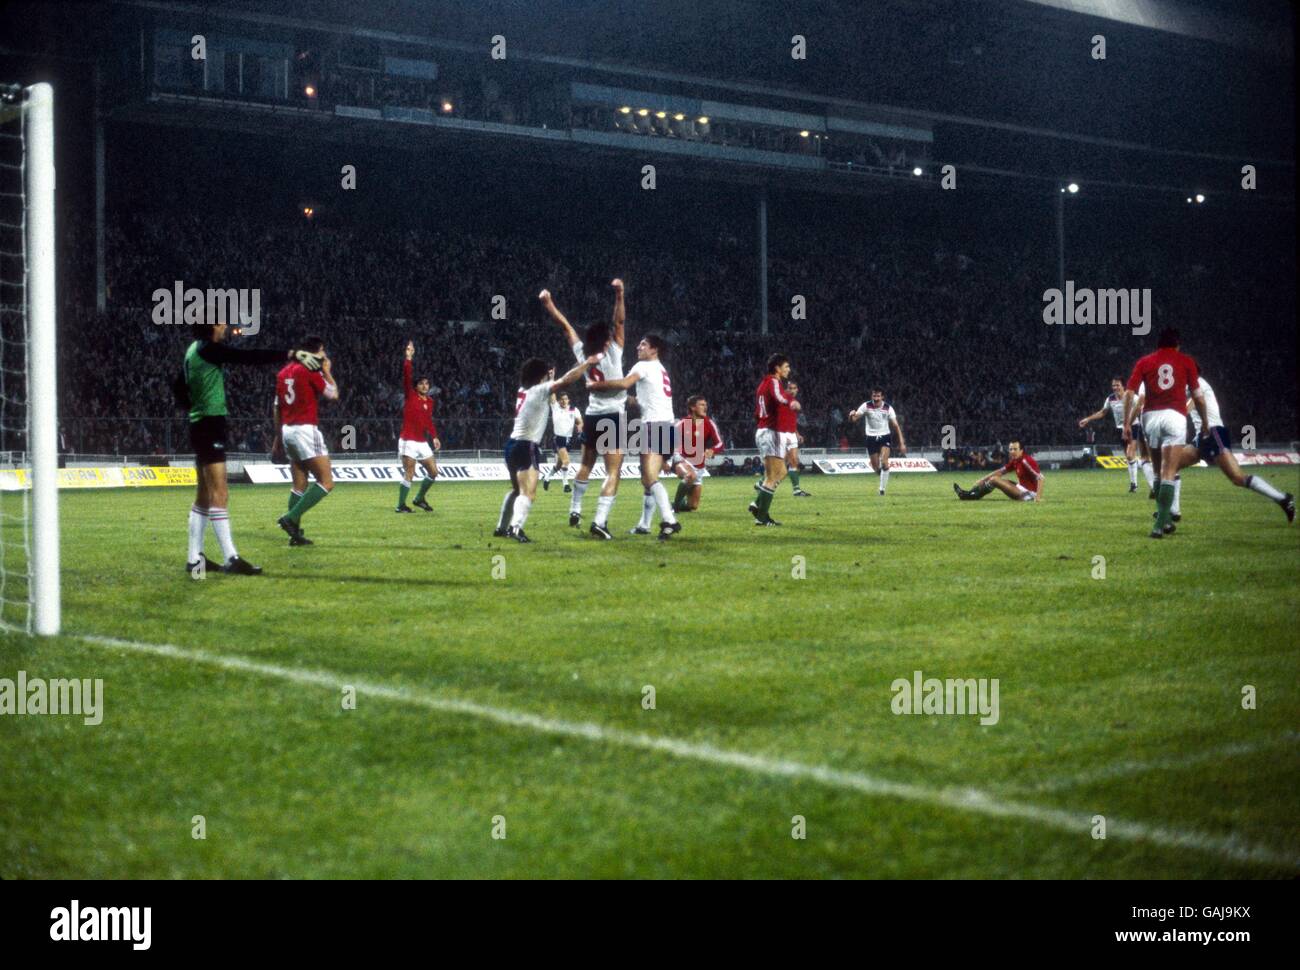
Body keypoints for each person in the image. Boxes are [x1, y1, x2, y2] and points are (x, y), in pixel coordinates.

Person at [178, 321, 323, 576]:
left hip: (199, 424)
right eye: (221, 323)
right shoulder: (208, 349)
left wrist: (194, 406)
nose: (225, 328)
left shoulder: (192, 350)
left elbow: (178, 388)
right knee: (220, 494)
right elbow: (247, 357)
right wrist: (290, 354)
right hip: (210, 425)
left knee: (203, 496)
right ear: (212, 325)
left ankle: (194, 560)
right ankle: (231, 557)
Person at [540, 281, 627, 532]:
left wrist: (548, 303)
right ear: (607, 339)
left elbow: (565, 326)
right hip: (611, 415)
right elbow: (619, 322)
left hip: (592, 414)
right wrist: (619, 294)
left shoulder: (582, 354)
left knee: (586, 465)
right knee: (613, 472)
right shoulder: (614, 352)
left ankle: (575, 509)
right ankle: (600, 521)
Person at [587, 333, 682, 540]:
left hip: (654, 426)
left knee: (649, 478)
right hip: (667, 425)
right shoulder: (660, 369)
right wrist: (628, 400)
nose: (638, 347)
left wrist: (596, 386)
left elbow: (623, 383)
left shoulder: (643, 367)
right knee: (648, 478)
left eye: (644, 344)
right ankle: (645, 524)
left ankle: (669, 520)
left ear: (654, 349)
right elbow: (644, 400)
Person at [495, 353, 599, 542]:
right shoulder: (539, 390)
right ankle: (515, 529)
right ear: (540, 376)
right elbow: (565, 381)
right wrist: (587, 364)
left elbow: (555, 383)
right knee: (529, 494)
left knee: (517, 490)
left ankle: (501, 528)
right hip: (526, 446)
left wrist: (554, 376)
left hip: (511, 445)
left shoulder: (524, 389)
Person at [1169, 376, 1294, 523]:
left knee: (1238, 478)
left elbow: (1187, 407)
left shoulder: (1198, 384)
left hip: (1214, 433)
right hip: (1202, 436)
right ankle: (1173, 512)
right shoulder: (1189, 385)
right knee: (1171, 466)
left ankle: (1283, 499)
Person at [1123, 328, 1208, 538]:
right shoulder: (1186, 361)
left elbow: (1129, 393)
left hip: (1150, 418)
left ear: (1158, 344)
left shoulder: (1145, 361)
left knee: (1158, 470)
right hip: (1175, 417)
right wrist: (1205, 421)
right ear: (1177, 344)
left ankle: (1166, 520)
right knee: (1170, 471)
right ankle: (1159, 525)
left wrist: (1127, 422)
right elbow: (1197, 396)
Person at [273, 335, 339, 546]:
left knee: (299, 484)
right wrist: (327, 371)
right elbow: (333, 394)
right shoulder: (310, 369)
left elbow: (277, 407)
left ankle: (295, 535)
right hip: (305, 430)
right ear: (313, 352)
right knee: (326, 482)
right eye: (322, 352)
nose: (324, 356)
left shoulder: (283, 373)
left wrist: (277, 437)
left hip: (287, 430)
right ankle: (290, 518)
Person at [750, 354, 798, 526]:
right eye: (786, 366)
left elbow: (757, 413)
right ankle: (761, 517)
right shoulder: (773, 382)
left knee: (781, 472)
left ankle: (757, 505)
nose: (788, 369)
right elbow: (780, 397)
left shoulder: (762, 384)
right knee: (773, 476)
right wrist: (791, 402)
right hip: (771, 432)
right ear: (777, 368)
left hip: (764, 431)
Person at [395, 341, 441, 513]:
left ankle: (419, 498)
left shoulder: (430, 401)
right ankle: (400, 505)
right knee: (410, 473)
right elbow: (407, 375)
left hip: (422, 442)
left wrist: (435, 436)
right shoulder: (410, 395)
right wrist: (408, 358)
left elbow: (428, 421)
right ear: (415, 386)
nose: (424, 386)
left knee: (434, 472)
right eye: (421, 383)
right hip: (408, 440)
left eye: (427, 383)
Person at [1078, 377, 1140, 493]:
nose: (1115, 388)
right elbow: (1102, 412)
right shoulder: (1110, 399)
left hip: (1133, 426)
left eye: (1117, 385)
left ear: (1123, 386)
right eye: (1113, 385)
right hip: (1119, 429)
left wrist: (1131, 423)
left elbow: (1140, 407)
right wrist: (1088, 419)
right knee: (1128, 457)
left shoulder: (1131, 396)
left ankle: (1135, 483)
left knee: (1130, 454)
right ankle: (1135, 482)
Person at [849, 388, 906, 495]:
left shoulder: (888, 408)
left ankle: (882, 490)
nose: (876, 398)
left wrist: (901, 443)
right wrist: (851, 415)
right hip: (871, 438)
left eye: (878, 396)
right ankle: (879, 470)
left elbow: (896, 426)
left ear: (882, 397)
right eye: (874, 396)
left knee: (884, 463)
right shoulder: (866, 406)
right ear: (872, 396)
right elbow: (854, 419)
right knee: (876, 468)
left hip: (885, 436)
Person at [671, 395, 723, 513]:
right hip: (683, 460)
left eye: (705, 405)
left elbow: (720, 443)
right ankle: (675, 507)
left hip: (700, 466)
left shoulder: (709, 423)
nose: (705, 407)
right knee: (690, 476)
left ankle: (674, 504)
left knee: (693, 506)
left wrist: (713, 450)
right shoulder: (683, 423)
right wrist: (674, 456)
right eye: (702, 405)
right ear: (692, 407)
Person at [953, 439, 1043, 502]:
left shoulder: (1025, 460)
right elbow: (1000, 472)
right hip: (1021, 488)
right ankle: (970, 493)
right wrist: (983, 480)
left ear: (1021, 450)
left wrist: (1037, 498)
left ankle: (970, 496)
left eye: (1015, 449)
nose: (1012, 451)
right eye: (1011, 449)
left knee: (994, 480)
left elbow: (1040, 478)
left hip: (1028, 495)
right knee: (998, 479)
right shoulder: (1015, 460)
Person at [541, 391, 582, 492]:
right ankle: (565, 485)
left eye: (566, 399)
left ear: (569, 400)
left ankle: (546, 477)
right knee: (566, 461)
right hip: (558, 438)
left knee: (559, 465)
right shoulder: (555, 407)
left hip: (568, 439)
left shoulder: (573, 409)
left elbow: (579, 421)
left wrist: (580, 427)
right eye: (562, 399)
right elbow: (552, 394)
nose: (564, 401)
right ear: (559, 401)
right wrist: (551, 379)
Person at [783, 380, 812, 497]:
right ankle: (761, 484)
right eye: (790, 388)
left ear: (797, 389)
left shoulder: (794, 402)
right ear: (786, 389)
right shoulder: (782, 400)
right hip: (782, 434)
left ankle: (796, 490)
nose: (792, 390)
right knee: (781, 464)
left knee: (794, 461)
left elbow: (791, 421)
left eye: (794, 388)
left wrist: (797, 434)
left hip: (791, 433)